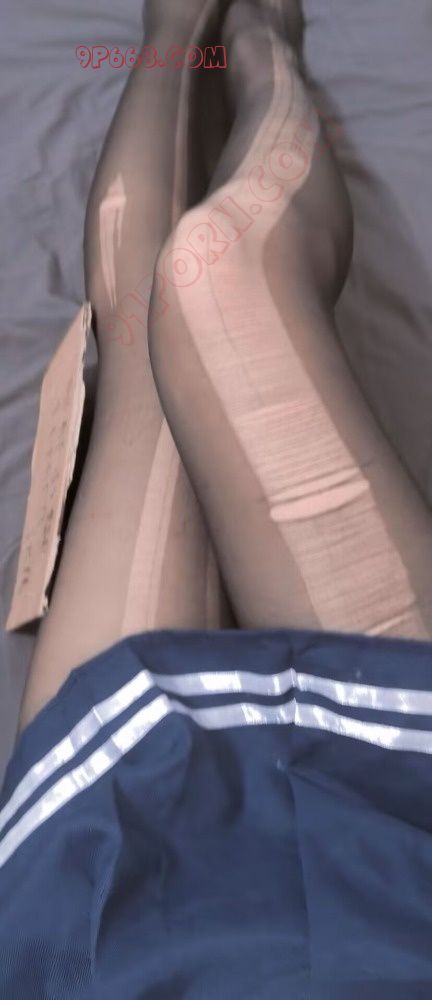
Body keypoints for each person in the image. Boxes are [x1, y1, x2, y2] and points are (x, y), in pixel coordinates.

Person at [2, 1, 432, 996]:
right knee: (212, 273)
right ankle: (258, 42)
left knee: (177, 309)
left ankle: (185, 30)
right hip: (405, 816)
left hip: (109, 905)